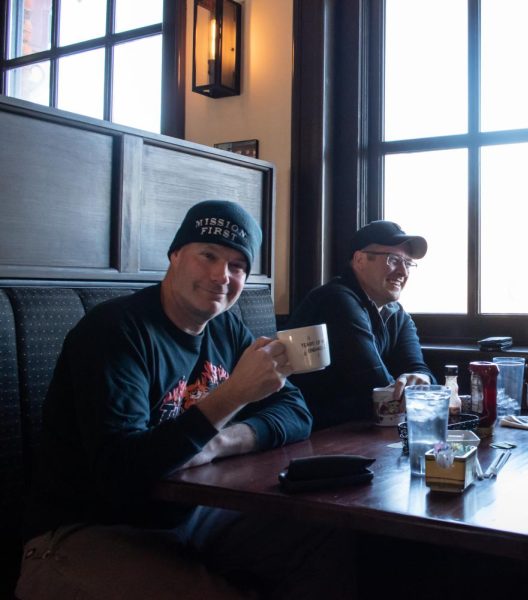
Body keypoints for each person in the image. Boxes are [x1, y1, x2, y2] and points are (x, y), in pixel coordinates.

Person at [17, 200, 351, 599]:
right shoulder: (114, 331)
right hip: (83, 530)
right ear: (175, 255)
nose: (220, 276)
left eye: (237, 265)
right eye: (207, 255)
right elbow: (121, 471)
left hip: (189, 517)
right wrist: (233, 394)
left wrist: (217, 443)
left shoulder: (225, 327)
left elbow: (296, 412)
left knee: (337, 548)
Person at [286, 220, 435, 429]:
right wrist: (418, 397)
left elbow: (421, 372)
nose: (403, 272)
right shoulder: (336, 300)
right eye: (393, 260)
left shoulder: (396, 313)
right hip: (316, 432)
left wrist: (420, 379)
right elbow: (376, 387)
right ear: (360, 260)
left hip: (360, 428)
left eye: (408, 263)